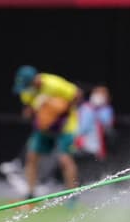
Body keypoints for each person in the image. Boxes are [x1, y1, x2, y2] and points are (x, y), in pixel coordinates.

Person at [13, 65, 80, 199]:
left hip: (65, 127)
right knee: (31, 157)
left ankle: (72, 194)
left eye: (27, 84)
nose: (25, 88)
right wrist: (32, 112)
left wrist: (59, 110)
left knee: (65, 160)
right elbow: (29, 109)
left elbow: (77, 94)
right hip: (43, 128)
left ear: (34, 80)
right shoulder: (27, 91)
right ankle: (30, 194)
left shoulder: (53, 83)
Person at [74, 84, 115, 161]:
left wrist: (97, 110)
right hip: (79, 145)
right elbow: (80, 127)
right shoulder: (84, 107)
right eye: (97, 93)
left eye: (102, 94)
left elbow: (107, 124)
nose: (98, 96)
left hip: (94, 149)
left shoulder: (106, 109)